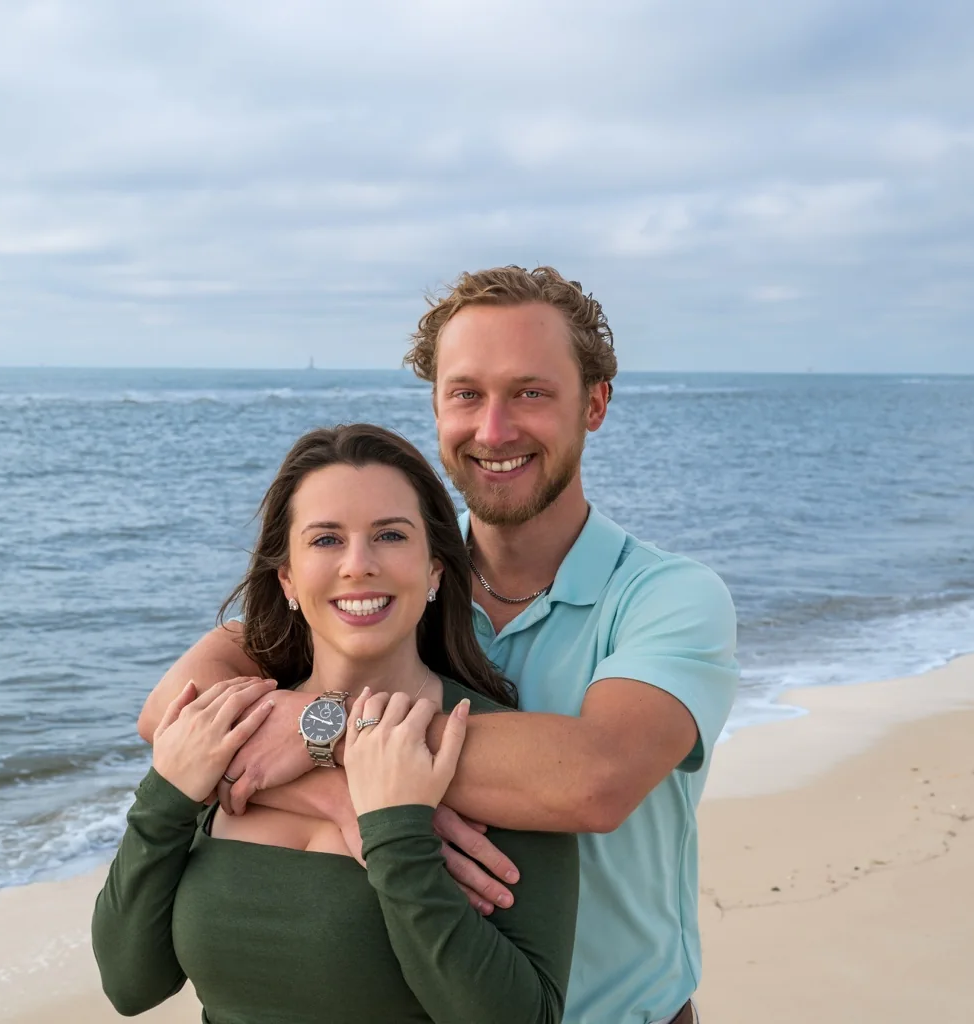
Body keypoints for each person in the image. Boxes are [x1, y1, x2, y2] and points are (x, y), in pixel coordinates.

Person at [138, 265, 739, 1024]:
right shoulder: (387, 580)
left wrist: (317, 729)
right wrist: (334, 789)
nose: (493, 430)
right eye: (466, 394)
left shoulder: (667, 598)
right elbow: (170, 715)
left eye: (530, 392)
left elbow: (597, 779)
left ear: (594, 404)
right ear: (434, 408)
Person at [92, 424, 580, 1022]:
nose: (358, 565)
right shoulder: (231, 730)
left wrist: (397, 838)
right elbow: (129, 982)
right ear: (287, 578)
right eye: (326, 539)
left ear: (434, 572)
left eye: (391, 535)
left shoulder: (489, 752)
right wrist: (164, 802)